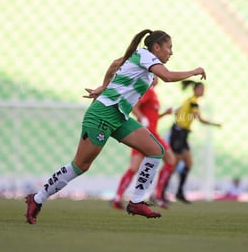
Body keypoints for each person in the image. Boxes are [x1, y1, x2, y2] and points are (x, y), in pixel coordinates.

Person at [24, 29, 207, 224]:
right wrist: (194, 71)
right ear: (156, 47)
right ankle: (37, 198)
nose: (171, 52)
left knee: (156, 150)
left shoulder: (140, 58)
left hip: (118, 116)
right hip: (102, 114)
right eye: (169, 47)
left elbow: (114, 65)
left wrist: (104, 86)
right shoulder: (145, 55)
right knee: (80, 166)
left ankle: (136, 201)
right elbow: (168, 77)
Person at [111, 77, 175, 210]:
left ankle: (118, 197)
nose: (157, 78)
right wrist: (141, 117)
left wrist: (163, 114)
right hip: (150, 135)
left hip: (143, 135)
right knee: (170, 160)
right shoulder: (147, 91)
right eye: (155, 76)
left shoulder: (152, 93)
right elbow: (134, 107)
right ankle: (157, 195)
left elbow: (152, 116)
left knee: (133, 168)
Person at [167, 80, 221, 203]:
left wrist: (182, 121)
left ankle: (178, 192)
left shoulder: (189, 100)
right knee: (174, 163)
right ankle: (162, 192)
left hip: (181, 133)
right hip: (179, 134)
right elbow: (200, 120)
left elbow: (177, 112)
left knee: (188, 163)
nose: (203, 91)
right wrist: (215, 124)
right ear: (195, 90)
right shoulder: (193, 102)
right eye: (201, 89)